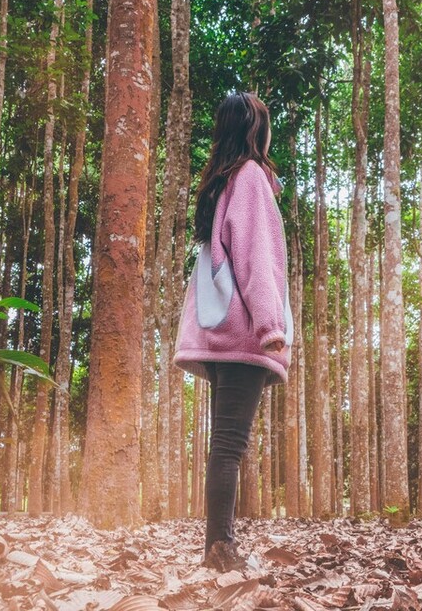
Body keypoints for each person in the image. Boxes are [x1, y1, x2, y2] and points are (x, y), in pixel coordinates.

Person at [174, 91, 293, 573]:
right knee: (230, 445)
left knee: (223, 444)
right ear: (254, 130)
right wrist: (270, 326)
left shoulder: (221, 182)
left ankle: (216, 547)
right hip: (245, 334)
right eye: (264, 122)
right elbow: (255, 257)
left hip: (220, 333)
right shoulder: (248, 179)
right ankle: (220, 550)